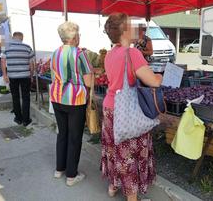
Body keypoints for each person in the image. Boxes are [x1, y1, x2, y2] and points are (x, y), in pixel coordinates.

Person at [102, 13, 162, 201]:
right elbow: (153, 81)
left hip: (110, 108)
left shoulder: (110, 54)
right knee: (129, 154)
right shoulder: (133, 53)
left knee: (113, 148)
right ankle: (132, 198)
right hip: (127, 110)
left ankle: (113, 186)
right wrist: (159, 77)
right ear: (124, 31)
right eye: (131, 25)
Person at [50, 22, 92, 186]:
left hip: (57, 97)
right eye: (79, 34)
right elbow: (88, 81)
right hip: (75, 99)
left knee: (63, 133)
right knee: (75, 137)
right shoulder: (80, 54)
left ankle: (59, 169)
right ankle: (71, 175)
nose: (79, 37)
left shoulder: (55, 53)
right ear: (74, 37)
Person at [0, 32, 35, 127]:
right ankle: (26, 120)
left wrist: (5, 75)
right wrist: (31, 75)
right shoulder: (27, 47)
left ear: (13, 38)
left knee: (15, 97)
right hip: (25, 76)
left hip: (12, 76)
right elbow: (31, 64)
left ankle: (18, 118)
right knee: (26, 97)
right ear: (22, 38)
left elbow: (3, 61)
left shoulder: (6, 47)